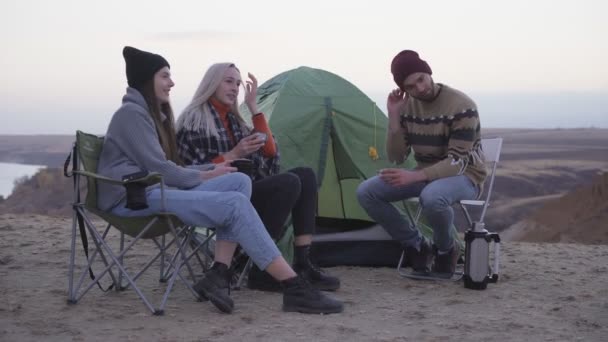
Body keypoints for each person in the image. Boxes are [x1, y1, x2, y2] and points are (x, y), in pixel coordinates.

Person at [96, 46, 343, 314]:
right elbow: (162, 168)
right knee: (236, 202)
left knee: (239, 182)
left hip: (154, 188)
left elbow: (171, 167)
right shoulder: (134, 115)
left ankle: (219, 273)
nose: (172, 82)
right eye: (164, 76)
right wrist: (208, 171)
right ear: (147, 79)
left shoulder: (151, 115)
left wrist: (218, 164)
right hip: (133, 197)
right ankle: (293, 286)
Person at [175, 63, 341, 292]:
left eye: (237, 83)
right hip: (213, 197)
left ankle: (303, 262)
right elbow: (190, 172)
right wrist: (234, 154)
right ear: (212, 83)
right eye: (228, 81)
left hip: (245, 189)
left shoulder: (233, 120)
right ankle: (260, 269)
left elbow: (270, 152)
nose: (234, 88)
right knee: (288, 183)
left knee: (305, 175)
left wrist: (254, 108)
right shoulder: (194, 120)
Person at [356, 50, 487, 278]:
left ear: (428, 72)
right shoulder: (408, 107)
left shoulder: (462, 105)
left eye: (421, 79)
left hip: (465, 177)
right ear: (404, 89)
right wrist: (394, 118)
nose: (420, 88)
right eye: (411, 86)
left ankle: (447, 249)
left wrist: (415, 177)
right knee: (367, 192)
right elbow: (396, 157)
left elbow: (458, 161)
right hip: (425, 175)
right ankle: (417, 245)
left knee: (432, 197)